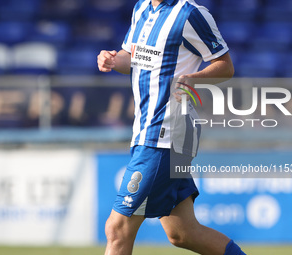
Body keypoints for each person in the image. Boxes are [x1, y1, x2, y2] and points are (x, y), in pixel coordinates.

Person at [97, 0, 246, 254]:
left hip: (165, 132)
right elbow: (135, 58)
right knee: (183, 232)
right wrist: (112, 59)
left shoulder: (191, 14)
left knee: (117, 228)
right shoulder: (142, 8)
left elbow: (226, 66)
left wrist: (194, 79)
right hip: (148, 131)